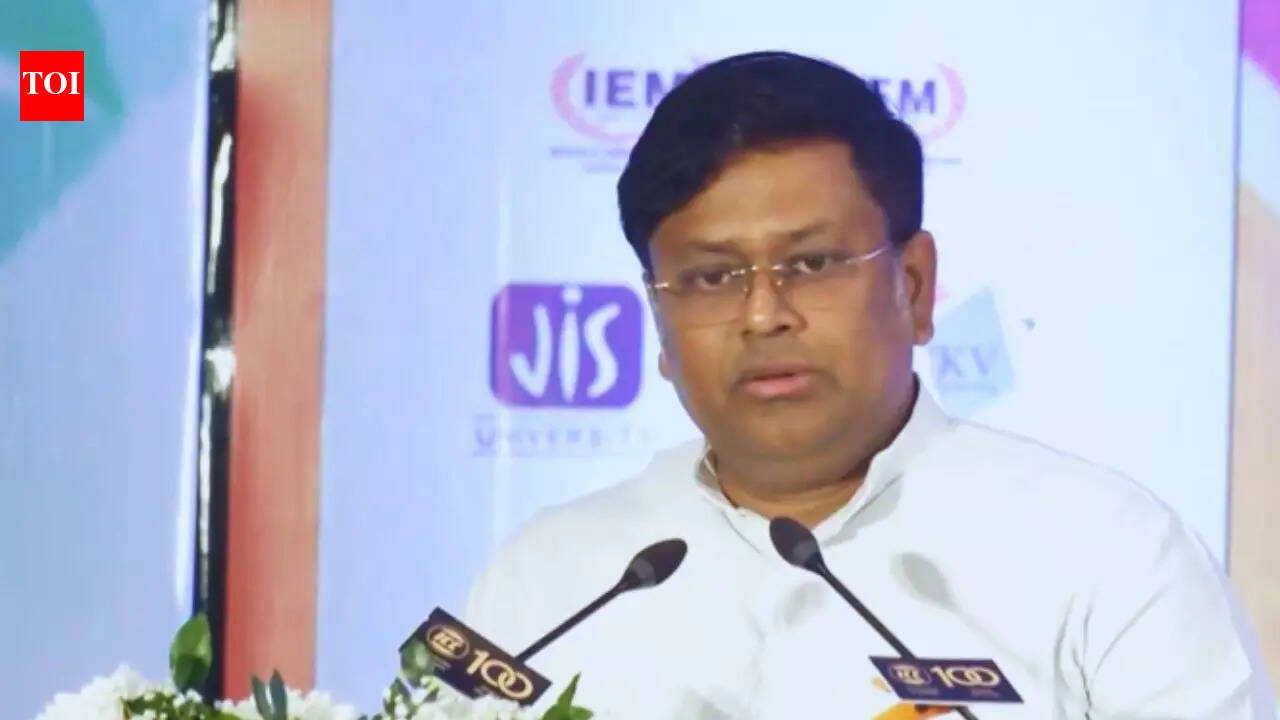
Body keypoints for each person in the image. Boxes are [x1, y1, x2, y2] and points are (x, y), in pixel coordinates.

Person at [465, 51, 1274, 719]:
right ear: (660, 320)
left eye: (812, 263)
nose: (763, 315)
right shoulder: (549, 576)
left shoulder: (1112, 553)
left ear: (914, 286)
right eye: (711, 277)